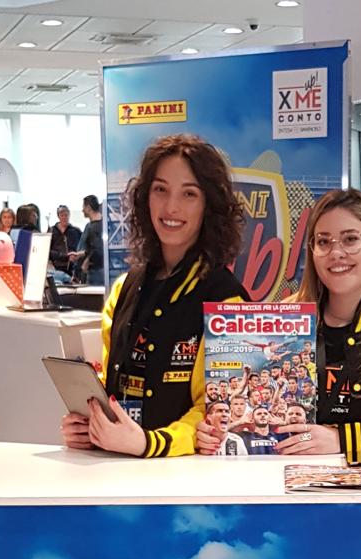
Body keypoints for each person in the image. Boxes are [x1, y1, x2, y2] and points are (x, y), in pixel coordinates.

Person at [196, 187, 361, 458]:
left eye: (350, 239)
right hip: (287, 476)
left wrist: (344, 439)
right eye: (323, 242)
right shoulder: (283, 321)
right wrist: (209, 432)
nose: (336, 252)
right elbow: (239, 408)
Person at [61, 134, 248, 459]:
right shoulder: (124, 288)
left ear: (209, 205)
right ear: (145, 197)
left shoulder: (226, 302)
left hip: (187, 477)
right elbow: (110, 382)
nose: (171, 207)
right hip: (115, 469)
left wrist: (150, 443)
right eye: (160, 189)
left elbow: (217, 410)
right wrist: (90, 421)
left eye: (189, 194)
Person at [69, 195, 104, 284]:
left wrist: (86, 261)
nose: (82, 210)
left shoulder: (93, 227)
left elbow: (97, 249)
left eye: (83, 207)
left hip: (95, 272)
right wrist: (80, 254)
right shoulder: (99, 225)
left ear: (88, 208)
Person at [49, 205, 81, 274]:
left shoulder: (76, 231)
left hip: (72, 267)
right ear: (58, 216)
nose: (64, 217)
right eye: (62, 215)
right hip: (56, 267)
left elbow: (80, 248)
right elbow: (48, 250)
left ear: (69, 215)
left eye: (66, 215)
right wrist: (64, 256)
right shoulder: (51, 231)